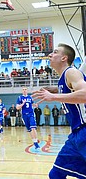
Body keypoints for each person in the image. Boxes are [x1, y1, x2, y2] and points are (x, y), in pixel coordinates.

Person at [32, 43, 86, 178]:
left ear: (64, 58)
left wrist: (53, 96)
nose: (50, 54)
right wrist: (55, 89)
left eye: (55, 52)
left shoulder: (71, 72)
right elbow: (70, 89)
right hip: (76, 135)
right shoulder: (63, 79)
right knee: (56, 173)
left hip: (85, 131)